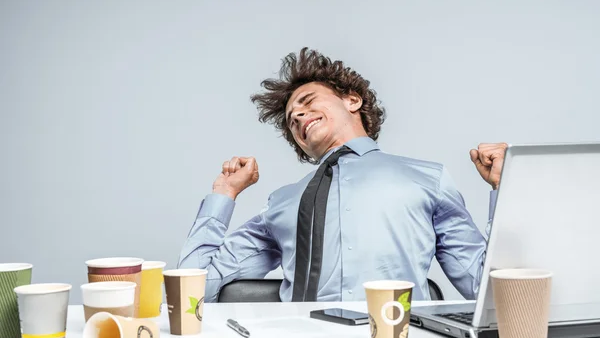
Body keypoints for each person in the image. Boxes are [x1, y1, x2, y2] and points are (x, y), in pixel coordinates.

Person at [178, 47, 508, 303]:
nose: (298, 116)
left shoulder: (428, 179)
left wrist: (508, 192)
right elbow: (193, 290)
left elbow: (489, 291)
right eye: (292, 120)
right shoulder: (280, 204)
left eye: (307, 102)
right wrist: (223, 193)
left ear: (352, 100)